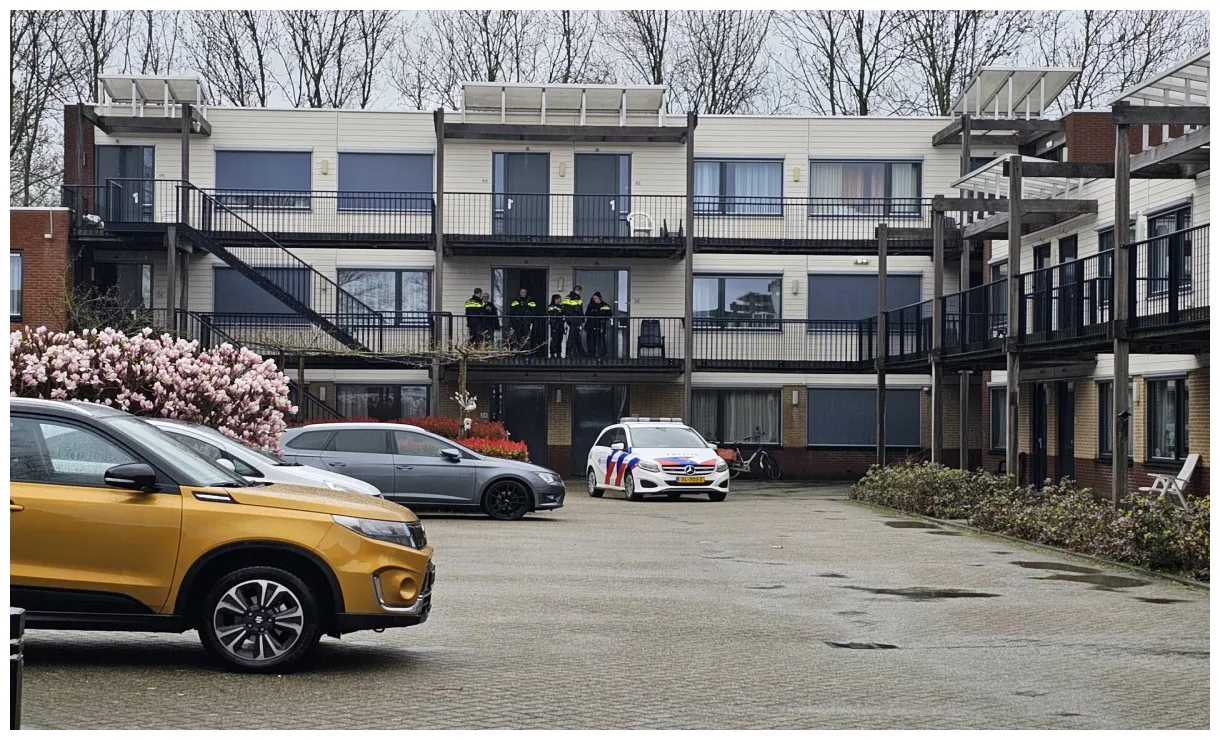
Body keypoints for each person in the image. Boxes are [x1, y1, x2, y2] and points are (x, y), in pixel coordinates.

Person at [585, 291, 614, 358]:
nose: (594, 300)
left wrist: (597, 314)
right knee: (591, 341)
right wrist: (598, 313)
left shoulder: (605, 305)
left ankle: (602, 355)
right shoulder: (591, 305)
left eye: (596, 298)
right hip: (591, 326)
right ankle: (591, 354)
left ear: (599, 298)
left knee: (601, 341)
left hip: (600, 326)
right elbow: (587, 314)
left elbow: (609, 314)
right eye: (593, 298)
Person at [561, 284, 585, 358]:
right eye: (579, 291)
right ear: (577, 290)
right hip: (572, 320)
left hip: (576, 319)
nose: (580, 293)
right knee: (572, 335)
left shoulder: (578, 299)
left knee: (576, 336)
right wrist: (574, 316)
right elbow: (567, 310)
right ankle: (569, 351)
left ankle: (579, 352)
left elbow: (580, 309)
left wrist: (582, 318)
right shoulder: (568, 298)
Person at [546, 293, 565, 358]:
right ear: (556, 299)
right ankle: (552, 353)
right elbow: (553, 314)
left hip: (560, 325)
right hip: (554, 325)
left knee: (560, 339)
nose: (561, 300)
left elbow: (563, 313)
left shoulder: (560, 306)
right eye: (560, 298)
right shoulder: (551, 306)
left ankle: (559, 353)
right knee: (554, 340)